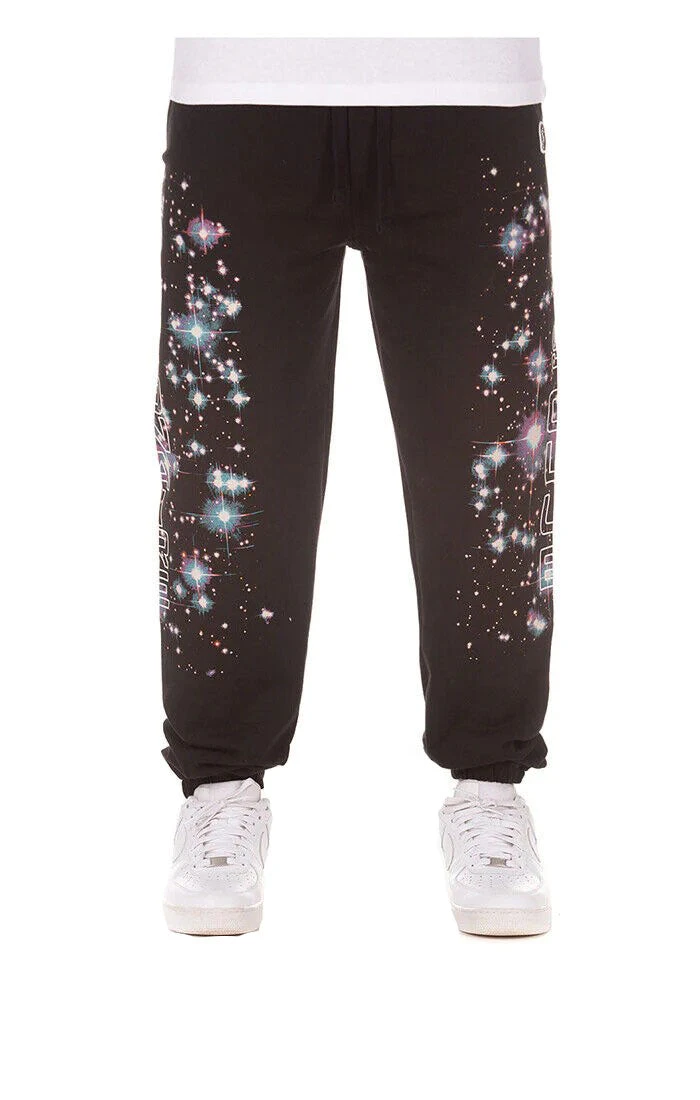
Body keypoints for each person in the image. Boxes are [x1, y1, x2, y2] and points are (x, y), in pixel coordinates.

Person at [158, 38, 555, 937]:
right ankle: (220, 786)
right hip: (240, 82)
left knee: (489, 462)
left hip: (469, 84)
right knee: (230, 461)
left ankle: (490, 786)